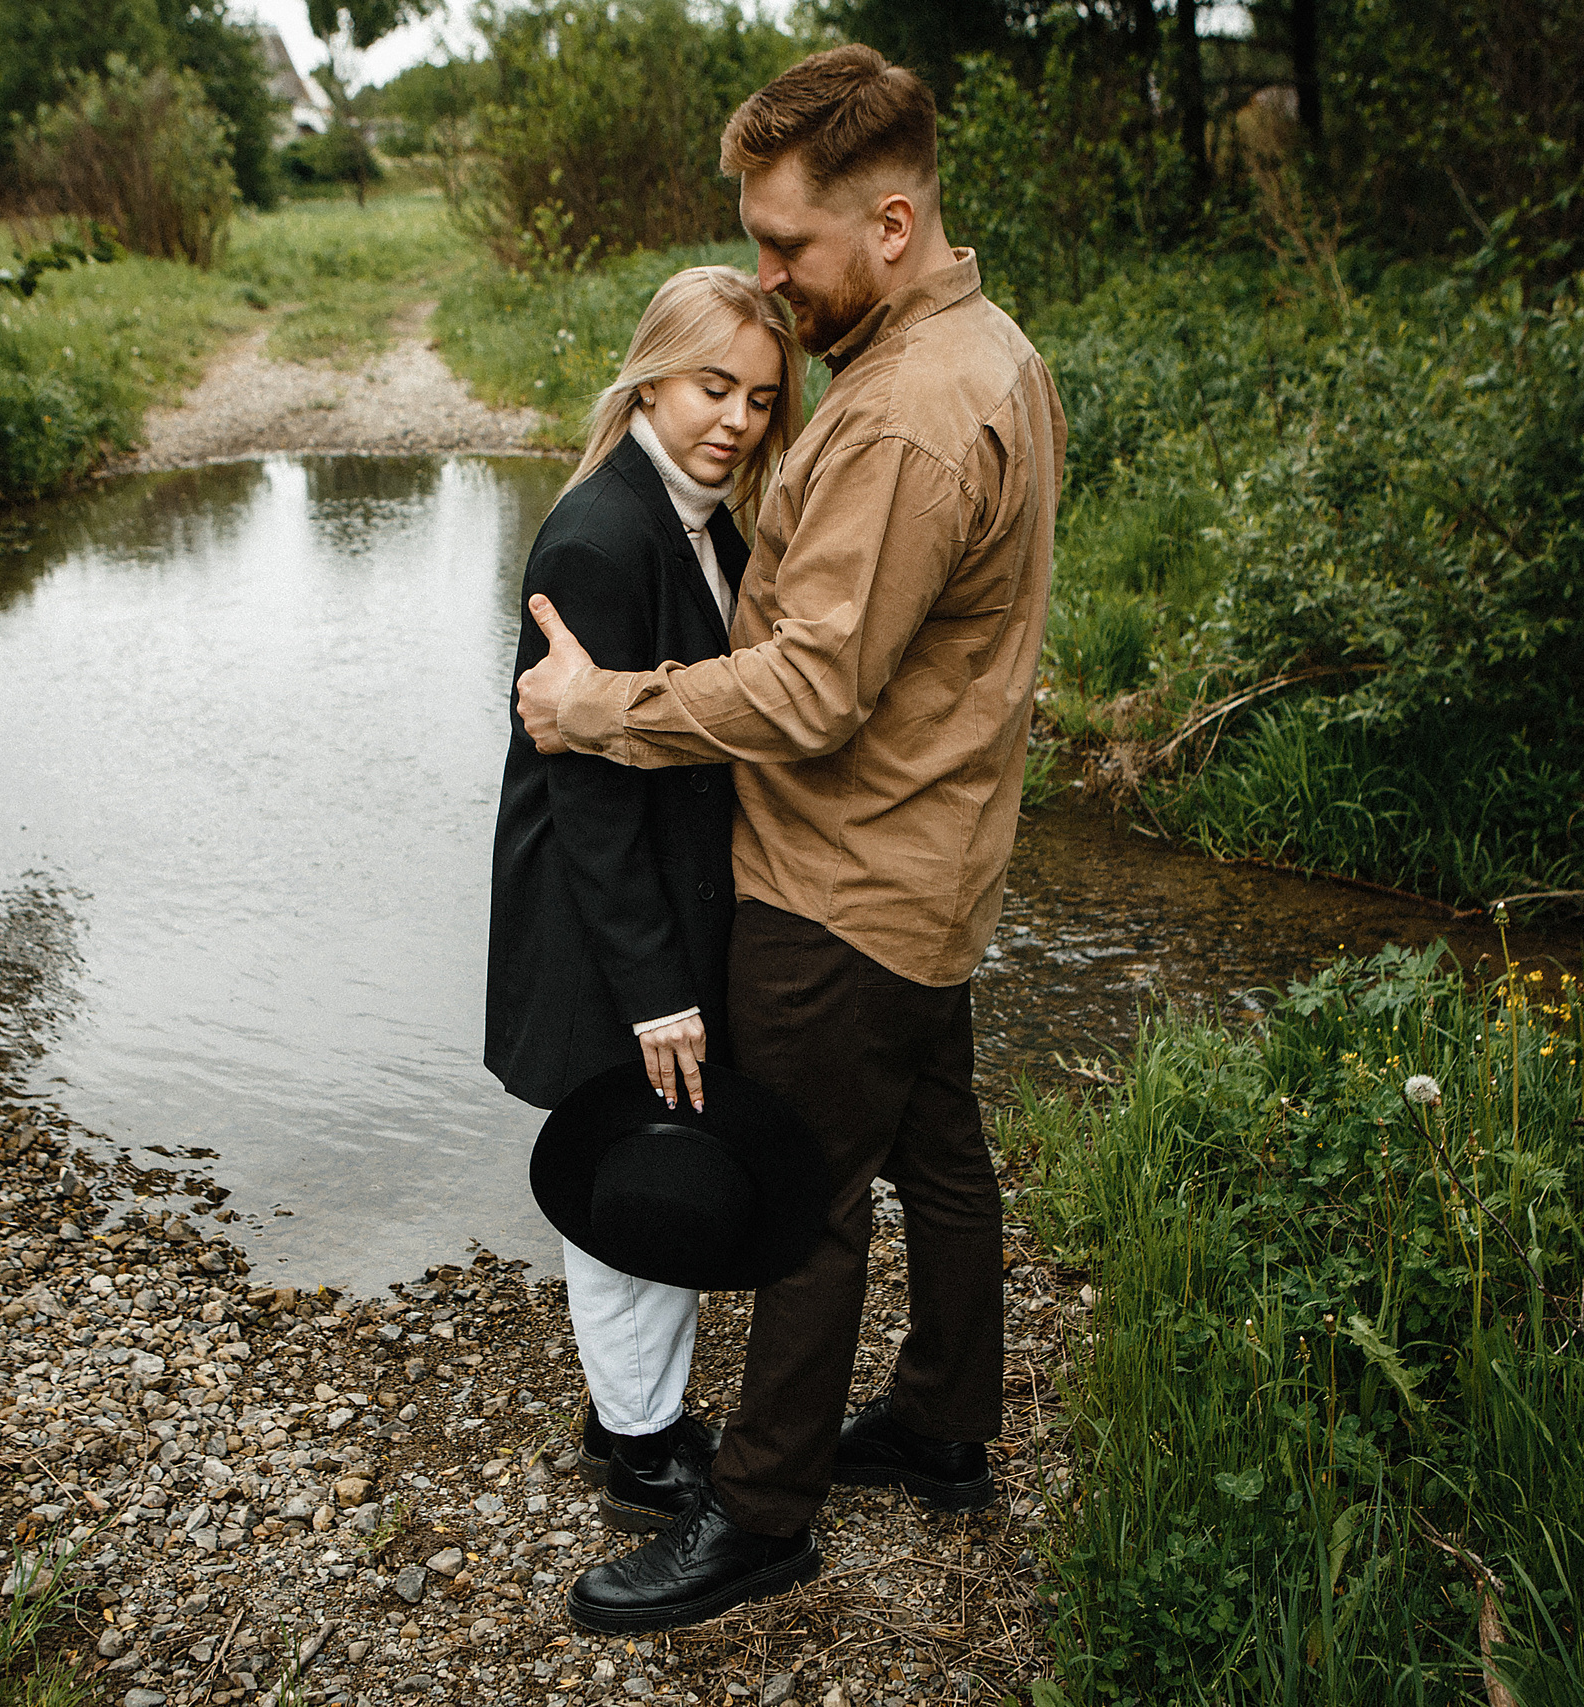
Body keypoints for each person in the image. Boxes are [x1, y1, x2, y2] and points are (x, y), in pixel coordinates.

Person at [514, 44, 1068, 1634]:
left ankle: (760, 1516)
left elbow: (818, 687)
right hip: (939, 860)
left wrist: (604, 707)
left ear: (888, 223)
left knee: (809, 1195)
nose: (767, 277)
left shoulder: (903, 415)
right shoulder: (992, 348)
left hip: (841, 883)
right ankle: (948, 1424)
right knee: (942, 1155)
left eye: (788, 246)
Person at [485, 266, 806, 1537]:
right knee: (631, 1162)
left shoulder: (707, 519)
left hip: (659, 900)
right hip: (599, 915)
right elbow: (593, 798)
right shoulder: (601, 536)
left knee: (655, 1139)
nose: (734, 419)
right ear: (651, 377)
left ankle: (630, 1406)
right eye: (712, 387)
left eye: (762, 399)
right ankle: (637, 1448)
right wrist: (659, 988)